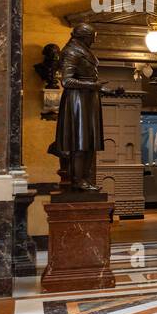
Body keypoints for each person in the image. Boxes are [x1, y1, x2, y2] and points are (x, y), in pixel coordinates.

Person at [54, 23, 112, 191]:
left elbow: (91, 80)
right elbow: (67, 81)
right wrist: (93, 86)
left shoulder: (83, 51)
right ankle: (78, 181)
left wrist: (106, 90)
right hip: (77, 101)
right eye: (92, 38)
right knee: (80, 142)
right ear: (84, 37)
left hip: (88, 99)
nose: (93, 41)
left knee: (90, 143)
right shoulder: (71, 52)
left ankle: (85, 179)